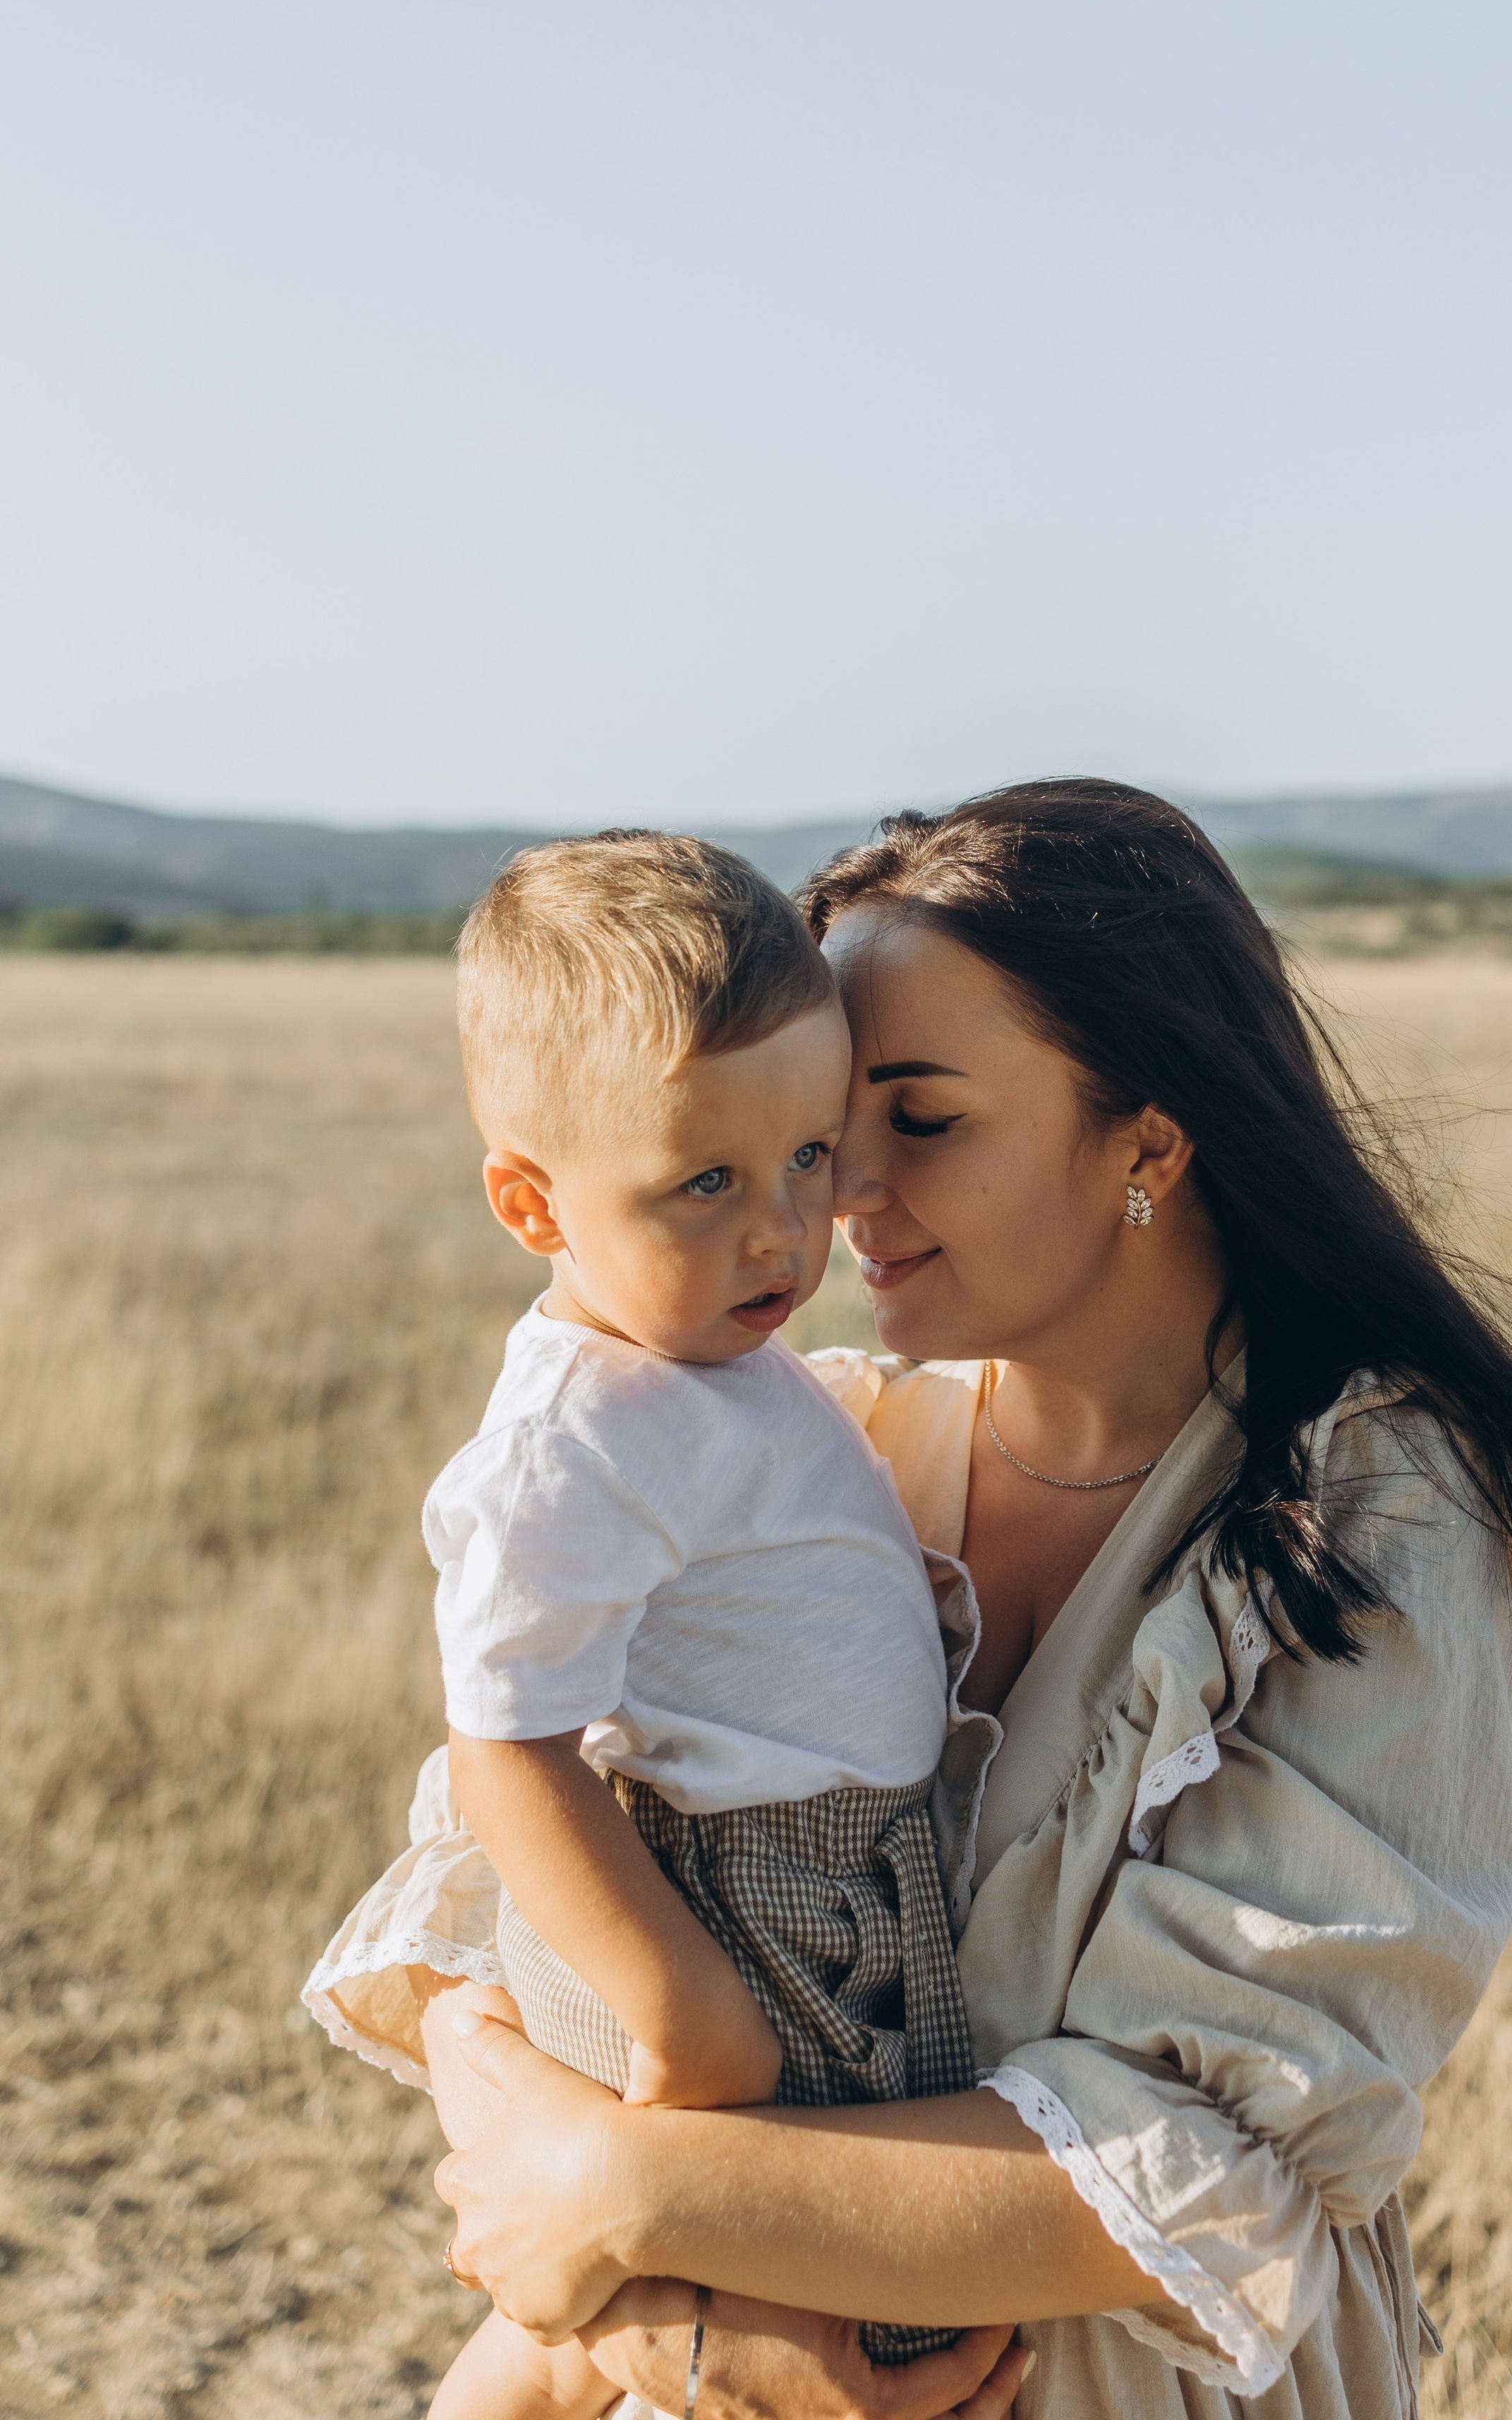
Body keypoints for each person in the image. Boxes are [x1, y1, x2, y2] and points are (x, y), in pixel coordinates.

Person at [428, 779, 1512, 2420]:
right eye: (820, 1123)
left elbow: (1194, 2163)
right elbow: (486, 1916)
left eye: (915, 1121)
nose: (834, 1200)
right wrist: (666, 2327)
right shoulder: (809, 1440)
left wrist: (627, 2201)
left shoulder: (1367, 1513)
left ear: (1147, 1141)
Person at [304, 833, 976, 2420]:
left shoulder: (705, 1369)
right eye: (704, 1183)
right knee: (713, 2308)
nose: (781, 1232)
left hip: (826, 1882)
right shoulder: (575, 1440)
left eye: (808, 1158)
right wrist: (682, 2012)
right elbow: (504, 1746)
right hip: (730, 1910)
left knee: (688, 2291)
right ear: (531, 1202)